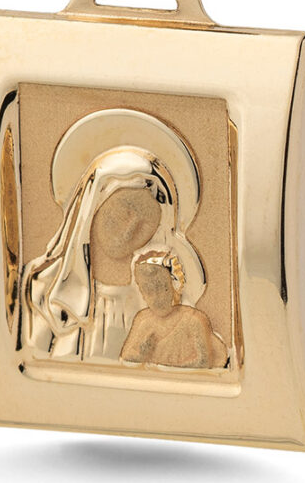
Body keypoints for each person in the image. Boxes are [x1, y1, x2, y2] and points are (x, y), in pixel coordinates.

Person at [21, 148, 204, 362]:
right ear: (95, 204)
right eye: (124, 210)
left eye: (145, 223)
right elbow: (31, 361)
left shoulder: (167, 301)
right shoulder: (46, 291)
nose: (128, 231)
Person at [120, 251, 228, 369]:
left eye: (162, 288)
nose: (156, 298)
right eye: (148, 291)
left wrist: (170, 368)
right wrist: (141, 352)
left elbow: (204, 361)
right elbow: (126, 357)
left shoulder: (192, 321)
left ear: (176, 285)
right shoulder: (144, 322)